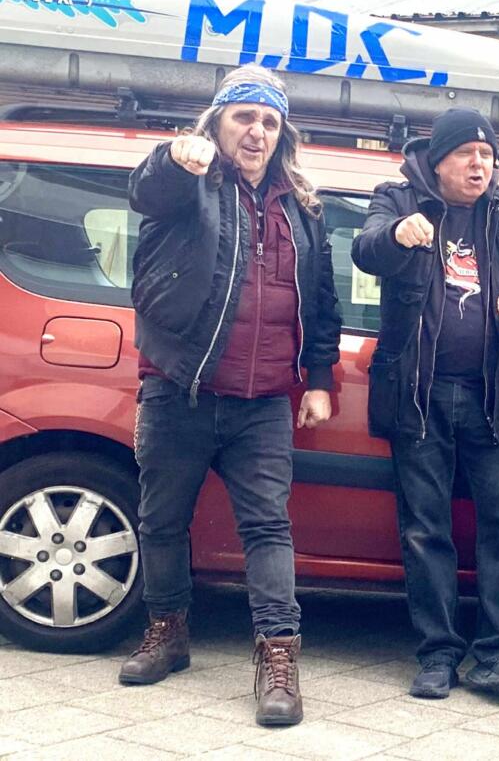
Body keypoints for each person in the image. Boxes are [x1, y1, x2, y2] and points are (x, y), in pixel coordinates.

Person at [120, 65, 342, 727]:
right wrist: (175, 157)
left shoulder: (303, 208)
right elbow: (145, 190)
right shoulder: (190, 182)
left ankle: (278, 659)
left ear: (282, 135)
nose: (257, 131)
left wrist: (321, 379)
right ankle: (167, 631)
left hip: (265, 400)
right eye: (244, 116)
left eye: (270, 121)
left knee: (269, 528)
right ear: (216, 123)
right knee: (162, 522)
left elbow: (323, 302)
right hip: (179, 388)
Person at [351, 108, 499, 702]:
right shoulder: (397, 198)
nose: (480, 165)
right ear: (438, 160)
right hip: (419, 394)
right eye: (467, 154)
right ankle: (437, 654)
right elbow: (365, 249)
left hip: (495, 396)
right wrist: (396, 234)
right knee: (425, 528)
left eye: (487, 155)